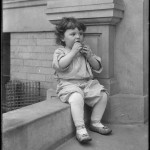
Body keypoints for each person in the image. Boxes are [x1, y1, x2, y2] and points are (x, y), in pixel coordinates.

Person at [52, 17, 112, 143]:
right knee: (76, 97)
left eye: (80, 33)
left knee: (103, 95)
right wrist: (73, 52)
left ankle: (95, 122)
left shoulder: (85, 51)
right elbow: (60, 65)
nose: (78, 36)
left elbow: (97, 66)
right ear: (62, 38)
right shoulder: (60, 51)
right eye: (73, 34)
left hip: (86, 84)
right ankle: (80, 129)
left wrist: (89, 56)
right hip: (68, 85)